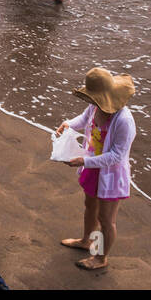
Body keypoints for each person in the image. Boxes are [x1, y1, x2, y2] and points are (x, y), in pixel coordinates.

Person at [56, 67, 137, 271]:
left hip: (110, 174)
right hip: (93, 168)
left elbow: (117, 156)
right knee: (89, 206)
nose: (91, 102)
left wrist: (84, 161)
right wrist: (68, 124)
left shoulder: (124, 120)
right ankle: (86, 241)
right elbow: (83, 120)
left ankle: (101, 258)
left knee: (106, 219)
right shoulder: (95, 107)